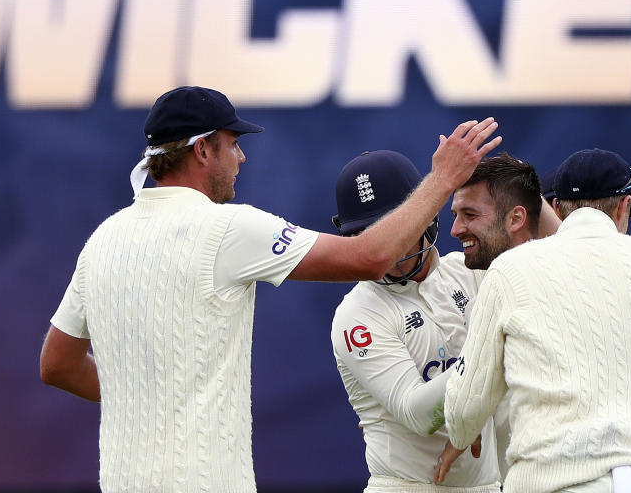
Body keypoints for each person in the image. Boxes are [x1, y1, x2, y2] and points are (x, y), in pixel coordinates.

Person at [38, 86, 501, 493]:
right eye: (232, 144)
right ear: (202, 151)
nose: (240, 157)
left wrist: (142, 395)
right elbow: (369, 257)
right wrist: (441, 179)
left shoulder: (102, 240)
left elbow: (57, 364)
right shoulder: (227, 228)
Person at [439, 148, 631, 493]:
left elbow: (466, 406)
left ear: (556, 208)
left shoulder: (510, 271)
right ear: (624, 207)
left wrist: (461, 430)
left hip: (552, 480)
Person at [329, 152, 549, 493]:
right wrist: (493, 356)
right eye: (370, 233)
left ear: (427, 216)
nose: (384, 247)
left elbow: (555, 249)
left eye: (395, 227)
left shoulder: (470, 271)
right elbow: (416, 413)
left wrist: (517, 177)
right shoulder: (356, 314)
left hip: (488, 486)